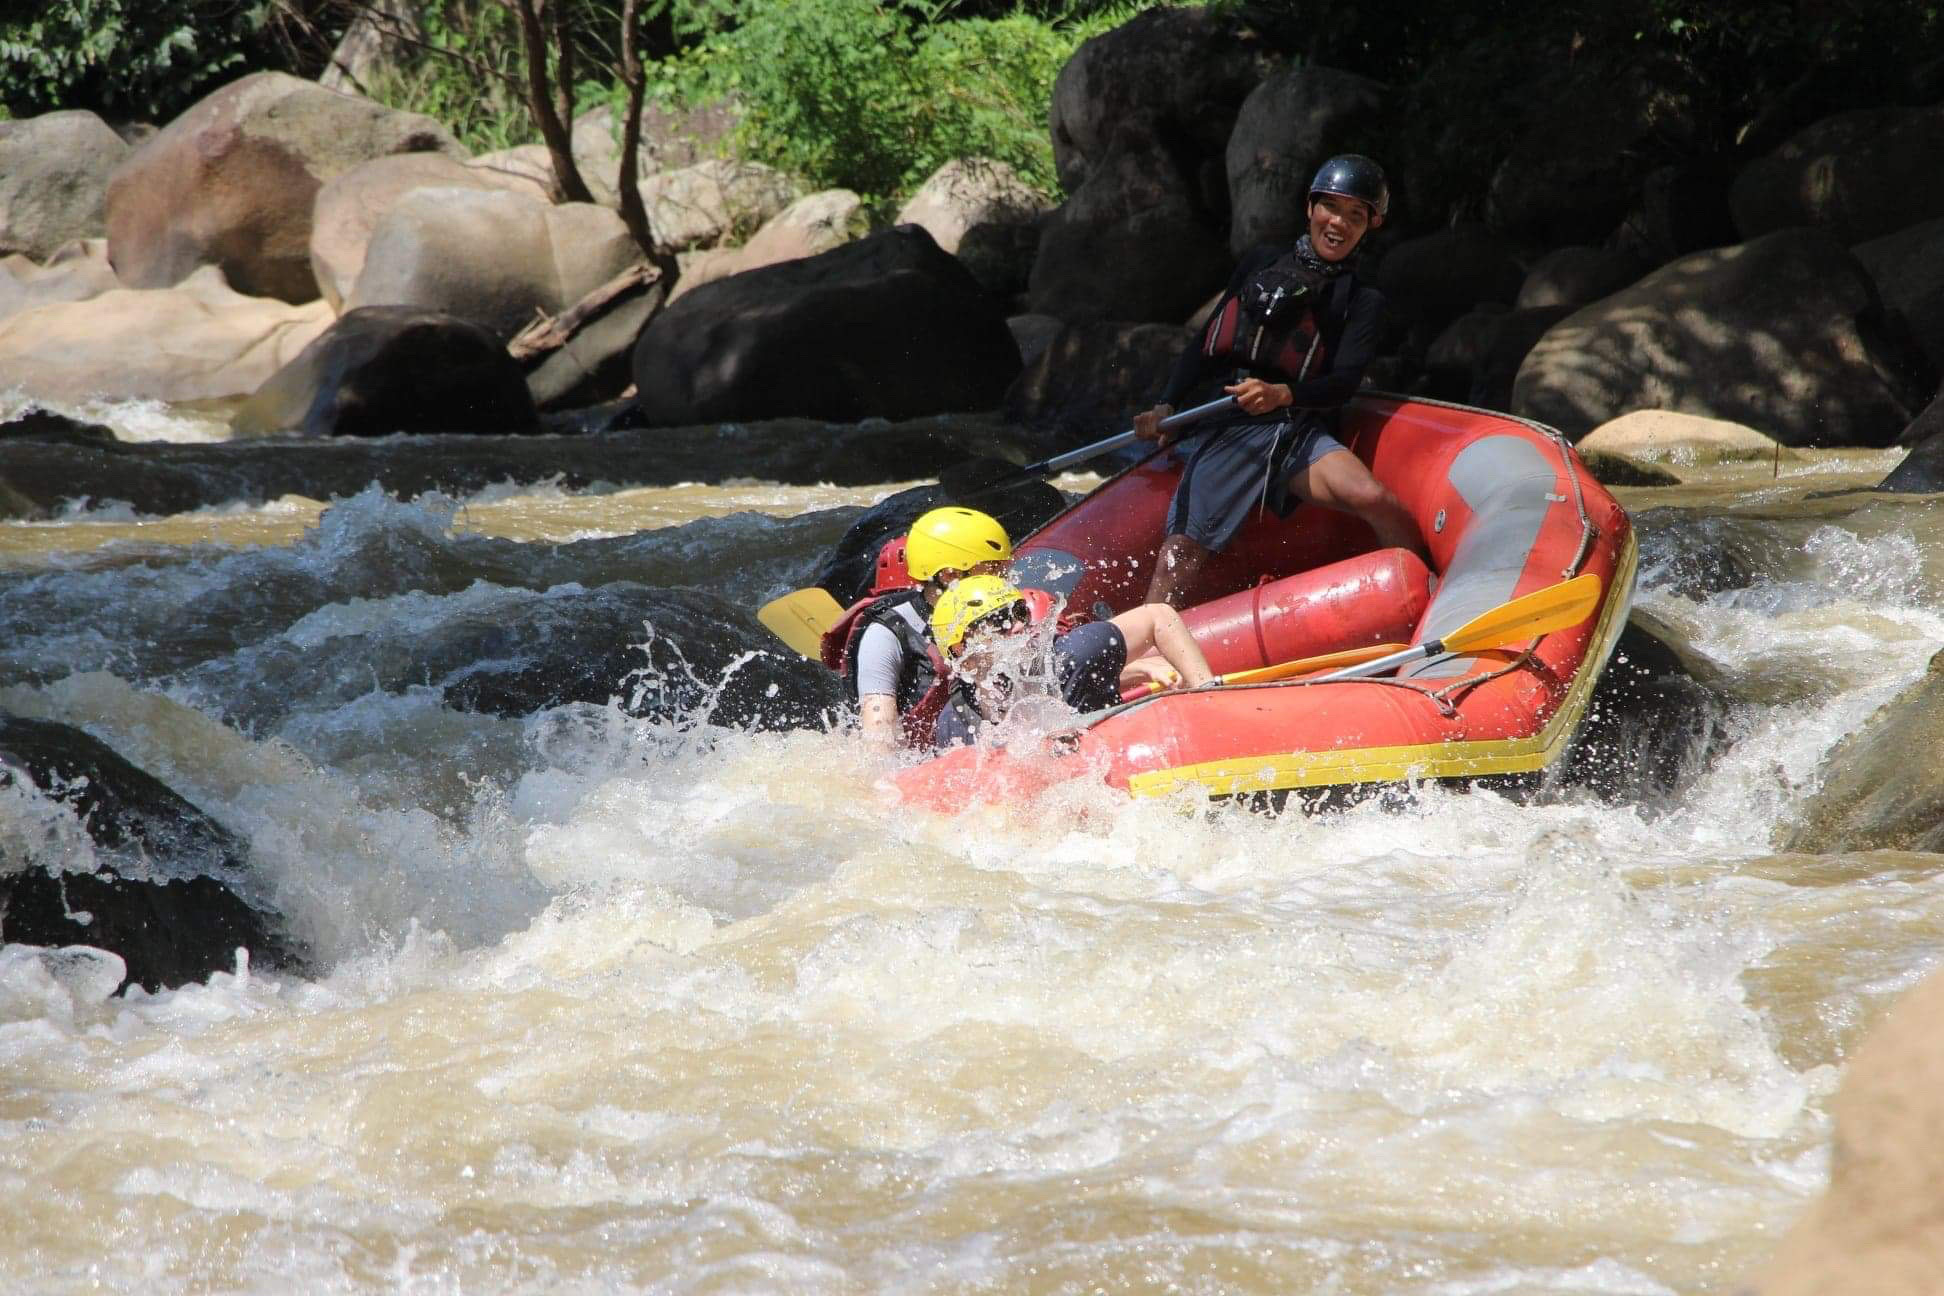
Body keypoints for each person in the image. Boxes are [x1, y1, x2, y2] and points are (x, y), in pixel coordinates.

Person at [1133, 153, 1425, 608]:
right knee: (1182, 552)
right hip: (1231, 424)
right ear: (1311, 208)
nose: (1339, 223)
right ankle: (1145, 633)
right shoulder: (1261, 261)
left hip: (1295, 428)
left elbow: (1343, 383)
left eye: (1355, 215)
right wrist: (1167, 403)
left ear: (1371, 225)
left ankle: (1423, 596)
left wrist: (1284, 394)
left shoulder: (1362, 300)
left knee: (1374, 498)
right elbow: (1206, 343)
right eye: (1331, 208)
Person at [928, 575, 1215, 749]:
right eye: (997, 621)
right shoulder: (955, 722)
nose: (1018, 626)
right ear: (960, 649)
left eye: (1019, 612)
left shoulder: (1070, 655)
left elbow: (1158, 615)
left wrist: (1206, 693)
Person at [826, 506, 1015, 748]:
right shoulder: (885, 634)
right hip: (922, 758)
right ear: (950, 576)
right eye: (993, 570)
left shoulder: (1000, 617)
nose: (1003, 582)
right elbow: (879, 743)